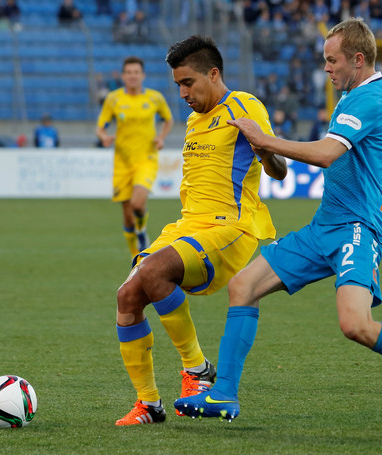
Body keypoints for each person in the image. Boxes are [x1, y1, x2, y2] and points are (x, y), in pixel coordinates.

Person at [175, 18, 382, 434]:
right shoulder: (350, 93)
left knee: (356, 326)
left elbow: (329, 153)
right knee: (243, 286)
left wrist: (265, 140)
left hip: (355, 228)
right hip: (323, 227)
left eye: (332, 61)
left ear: (359, 59)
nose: (326, 68)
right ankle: (224, 393)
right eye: (324, 60)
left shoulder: (373, 98)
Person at [112, 35, 287, 426]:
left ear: (213, 73)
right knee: (127, 297)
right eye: (177, 85)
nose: (182, 93)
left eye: (188, 83)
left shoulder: (244, 105)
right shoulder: (193, 120)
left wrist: (265, 150)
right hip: (188, 224)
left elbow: (279, 170)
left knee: (155, 271)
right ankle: (150, 405)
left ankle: (196, 370)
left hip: (231, 227)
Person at [95, 56, 174, 259]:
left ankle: (142, 235)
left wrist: (161, 138)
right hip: (122, 162)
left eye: (136, 72)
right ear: (123, 76)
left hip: (146, 159)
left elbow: (168, 119)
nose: (132, 76)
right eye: (128, 72)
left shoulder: (154, 98)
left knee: (138, 203)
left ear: (143, 75)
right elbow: (101, 125)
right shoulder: (113, 98)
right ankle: (135, 256)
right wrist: (104, 136)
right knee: (128, 217)